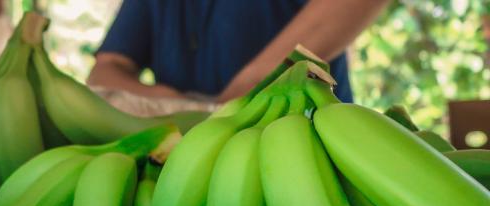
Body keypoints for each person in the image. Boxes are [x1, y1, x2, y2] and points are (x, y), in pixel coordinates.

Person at [88, 0, 391, 103]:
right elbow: (107, 69)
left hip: (309, 145)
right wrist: (176, 105)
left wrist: (247, 87)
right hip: (184, 157)